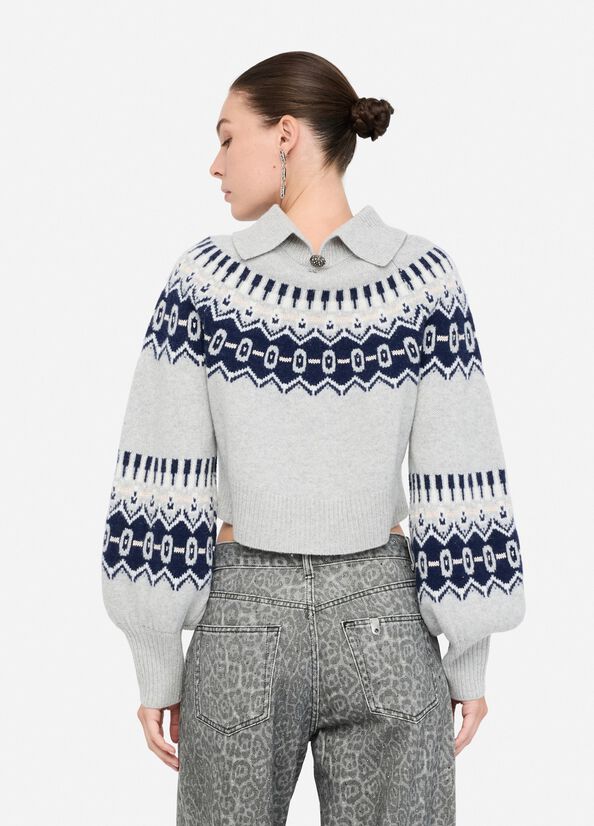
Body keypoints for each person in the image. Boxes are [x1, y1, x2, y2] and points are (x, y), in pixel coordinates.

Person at [100, 51, 526, 825]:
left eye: (228, 138)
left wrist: (157, 660)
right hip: (386, 620)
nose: (215, 164)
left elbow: (161, 477)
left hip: (243, 620)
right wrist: (469, 655)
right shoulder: (422, 280)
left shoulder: (205, 283)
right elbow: (461, 472)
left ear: (286, 135)